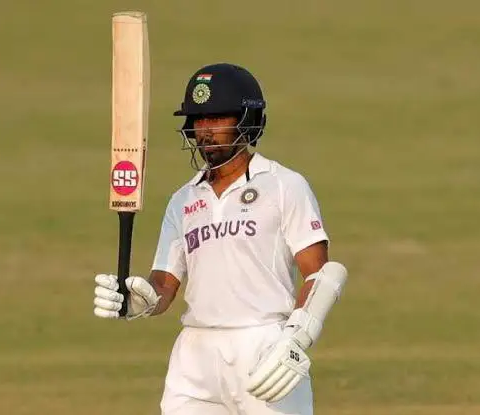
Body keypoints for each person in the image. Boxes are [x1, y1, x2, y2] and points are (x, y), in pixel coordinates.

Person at [93, 63, 348, 415]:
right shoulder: (182, 199)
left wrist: (296, 339)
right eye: (198, 120)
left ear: (247, 120)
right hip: (195, 355)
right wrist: (140, 300)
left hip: (263, 345)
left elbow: (321, 274)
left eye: (216, 119)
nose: (204, 131)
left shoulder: (284, 185)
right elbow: (166, 283)